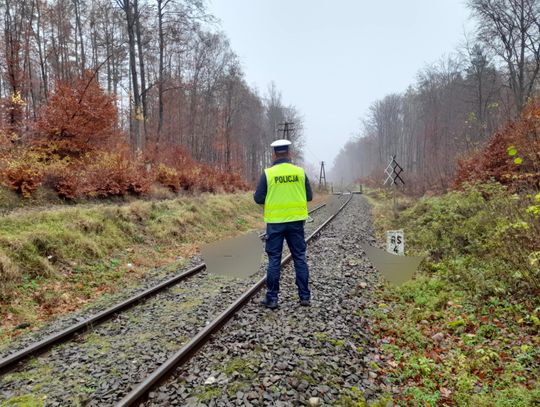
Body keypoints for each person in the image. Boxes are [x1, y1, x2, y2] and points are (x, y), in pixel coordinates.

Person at [253, 139, 313, 309]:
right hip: (296, 222)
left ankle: (272, 299)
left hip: (275, 223)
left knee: (274, 260)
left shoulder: (268, 173)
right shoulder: (300, 173)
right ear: (289, 153)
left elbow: (258, 198)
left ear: (274, 154)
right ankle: (304, 297)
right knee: (299, 257)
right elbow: (309, 196)